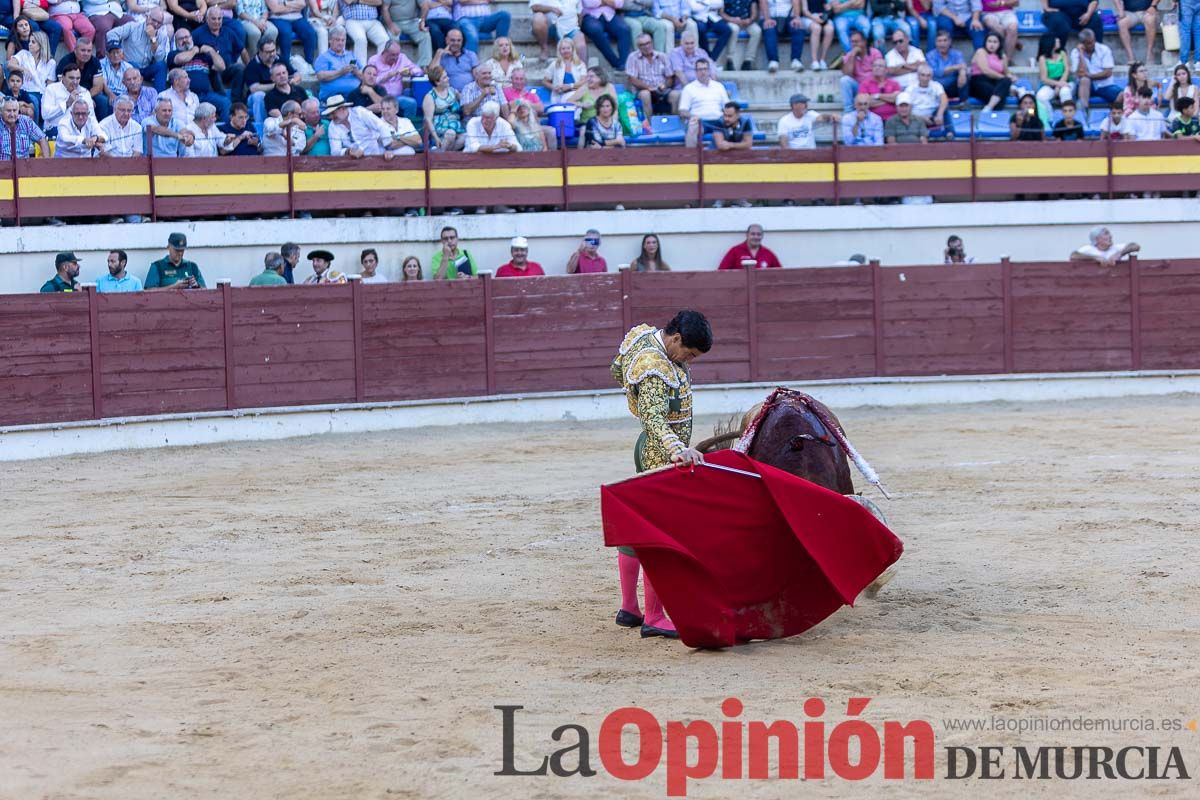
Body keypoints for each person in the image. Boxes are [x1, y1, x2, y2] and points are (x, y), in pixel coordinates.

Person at [609, 309, 712, 639]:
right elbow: (653, 420)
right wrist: (676, 449)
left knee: (638, 529)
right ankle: (654, 616)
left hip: (651, 449)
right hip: (659, 454)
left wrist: (633, 389)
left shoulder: (645, 337)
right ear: (676, 339)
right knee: (661, 536)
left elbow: (617, 369)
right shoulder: (655, 365)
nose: (690, 361)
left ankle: (629, 608)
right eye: (690, 354)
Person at [108, 10, 172, 91]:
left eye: (159, 23)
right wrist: (119, 52)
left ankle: (159, 97)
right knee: (133, 65)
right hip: (129, 65)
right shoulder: (132, 27)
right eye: (153, 20)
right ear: (147, 17)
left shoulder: (162, 36)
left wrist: (153, 39)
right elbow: (111, 34)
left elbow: (159, 59)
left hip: (146, 68)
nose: (155, 24)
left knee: (162, 65)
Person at [192, 7, 246, 102]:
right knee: (215, 68)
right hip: (209, 71)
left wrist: (250, 67)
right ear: (207, 19)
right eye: (213, 19)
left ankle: (236, 101)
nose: (217, 21)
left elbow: (242, 50)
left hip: (227, 68)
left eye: (219, 18)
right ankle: (224, 100)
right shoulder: (197, 34)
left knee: (240, 68)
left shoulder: (228, 32)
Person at [678, 57, 728, 146]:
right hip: (699, 121)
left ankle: (731, 158)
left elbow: (727, 107)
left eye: (705, 69)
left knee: (732, 123)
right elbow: (682, 111)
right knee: (693, 125)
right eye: (700, 69)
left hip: (718, 120)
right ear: (696, 72)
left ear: (709, 71)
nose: (703, 72)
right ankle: (691, 156)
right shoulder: (689, 88)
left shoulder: (719, 86)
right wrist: (693, 116)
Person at [625, 32, 677, 115]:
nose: (646, 46)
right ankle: (649, 126)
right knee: (645, 94)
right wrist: (648, 88)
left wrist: (665, 86)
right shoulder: (633, 57)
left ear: (652, 43)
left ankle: (675, 124)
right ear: (638, 47)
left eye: (648, 43)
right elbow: (632, 79)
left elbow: (670, 77)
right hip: (642, 90)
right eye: (642, 45)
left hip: (661, 89)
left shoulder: (662, 56)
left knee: (676, 95)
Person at [1070, 28, 1117, 111]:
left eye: (1093, 41)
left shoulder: (1104, 49)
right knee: (1084, 80)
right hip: (1084, 86)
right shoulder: (1075, 52)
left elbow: (1108, 73)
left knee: (1122, 95)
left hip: (1104, 85)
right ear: (1082, 44)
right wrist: (1081, 54)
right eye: (1089, 43)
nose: (1092, 44)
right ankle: (1084, 113)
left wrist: (1090, 76)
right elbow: (1080, 74)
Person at [423, 63, 465, 150]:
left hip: (455, 125)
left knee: (465, 138)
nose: (448, 79)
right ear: (437, 82)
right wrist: (435, 137)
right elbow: (428, 120)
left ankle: (447, 157)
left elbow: (464, 101)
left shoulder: (452, 90)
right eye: (445, 77)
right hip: (440, 128)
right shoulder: (430, 97)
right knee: (451, 134)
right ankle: (440, 156)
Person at [838, 27, 881, 112]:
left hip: (872, 86)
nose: (854, 44)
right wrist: (853, 56)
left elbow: (879, 72)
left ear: (864, 42)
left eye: (857, 42)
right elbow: (847, 74)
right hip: (858, 86)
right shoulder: (850, 55)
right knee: (844, 80)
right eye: (852, 42)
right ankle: (848, 111)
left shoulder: (875, 53)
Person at [580, 0, 632, 70]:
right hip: (590, 16)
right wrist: (610, 3)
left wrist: (602, 2)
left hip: (610, 15)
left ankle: (624, 64)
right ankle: (616, 63)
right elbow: (590, 3)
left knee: (624, 29)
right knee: (595, 30)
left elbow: (619, 4)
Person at [968, 30, 1012, 111]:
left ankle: (989, 108)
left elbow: (1007, 73)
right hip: (979, 81)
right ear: (985, 42)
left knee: (1005, 84)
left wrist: (1011, 77)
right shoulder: (981, 52)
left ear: (999, 44)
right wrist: (1003, 77)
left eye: (995, 42)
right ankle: (992, 112)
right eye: (989, 41)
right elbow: (985, 70)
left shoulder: (1002, 56)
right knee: (1000, 96)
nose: (992, 44)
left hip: (995, 82)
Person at [314, 27, 362, 101]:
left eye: (343, 40)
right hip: (334, 98)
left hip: (355, 96)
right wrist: (341, 72)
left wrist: (356, 72)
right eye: (337, 40)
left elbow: (364, 76)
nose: (340, 43)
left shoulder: (351, 55)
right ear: (330, 40)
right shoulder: (323, 57)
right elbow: (321, 76)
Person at [759, 0, 806, 73]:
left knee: (798, 27)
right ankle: (773, 61)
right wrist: (767, 19)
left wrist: (796, 18)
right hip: (770, 16)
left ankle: (796, 60)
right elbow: (763, 2)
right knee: (769, 29)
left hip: (788, 17)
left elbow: (796, 1)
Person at [268, 0, 318, 67]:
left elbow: (302, 4)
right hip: (278, 18)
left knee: (310, 33)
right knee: (286, 33)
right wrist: (293, 6)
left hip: (297, 17)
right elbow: (275, 9)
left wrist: (284, 4)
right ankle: (286, 65)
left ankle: (309, 65)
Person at [382, 0, 433, 66]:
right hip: (394, 22)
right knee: (392, 40)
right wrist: (391, 25)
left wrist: (422, 21)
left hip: (412, 21)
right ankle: (395, 66)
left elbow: (424, 6)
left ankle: (423, 66)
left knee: (425, 35)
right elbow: (384, 9)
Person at [339, 0, 389, 65]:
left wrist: (358, 1)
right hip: (353, 20)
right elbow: (349, 1)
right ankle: (361, 70)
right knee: (361, 40)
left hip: (372, 21)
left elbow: (379, 2)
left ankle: (380, 67)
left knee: (385, 40)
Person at [429, 27, 478, 92]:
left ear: (462, 41)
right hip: (449, 93)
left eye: (459, 40)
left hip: (470, 92)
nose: (456, 43)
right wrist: (439, 54)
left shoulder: (470, 55)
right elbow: (432, 75)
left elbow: (477, 76)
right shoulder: (442, 56)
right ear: (446, 40)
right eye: (453, 40)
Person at [1034, 34, 1069, 121]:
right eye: (1056, 41)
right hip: (1050, 83)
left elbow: (1067, 70)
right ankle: (1050, 118)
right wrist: (1057, 84)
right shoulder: (1043, 58)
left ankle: (1068, 118)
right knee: (1041, 96)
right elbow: (1044, 78)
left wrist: (1060, 85)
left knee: (1065, 92)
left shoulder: (1062, 54)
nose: (1059, 42)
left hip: (1064, 81)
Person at [718, 223, 782, 269]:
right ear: (747, 235)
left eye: (758, 234)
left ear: (762, 236)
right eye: (753, 234)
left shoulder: (768, 254)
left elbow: (780, 273)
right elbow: (721, 272)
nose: (756, 237)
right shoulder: (735, 251)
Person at [721, 0, 761, 72]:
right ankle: (729, 60)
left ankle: (748, 60)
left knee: (756, 31)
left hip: (746, 22)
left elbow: (754, 12)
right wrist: (732, 19)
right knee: (734, 29)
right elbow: (721, 13)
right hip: (731, 21)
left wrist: (750, 20)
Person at [1070, 226, 1139, 268]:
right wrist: (1095, 258)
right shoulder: (1089, 249)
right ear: (1097, 239)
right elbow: (1073, 256)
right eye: (1106, 234)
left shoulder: (1115, 248)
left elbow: (1135, 246)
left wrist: (1119, 254)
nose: (1110, 236)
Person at [546, 34, 587, 103]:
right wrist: (554, 87)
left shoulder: (580, 64)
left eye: (568, 48)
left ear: (572, 49)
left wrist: (570, 86)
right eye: (563, 49)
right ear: (559, 50)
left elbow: (584, 82)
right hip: (558, 95)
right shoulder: (555, 64)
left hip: (575, 94)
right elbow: (545, 81)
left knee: (569, 97)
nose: (566, 51)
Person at [925, 28, 965, 99]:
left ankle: (963, 102)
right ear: (935, 43)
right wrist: (954, 67)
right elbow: (937, 72)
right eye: (939, 41)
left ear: (950, 42)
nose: (942, 44)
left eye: (945, 40)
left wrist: (962, 72)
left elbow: (962, 65)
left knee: (965, 75)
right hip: (938, 86)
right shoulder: (930, 55)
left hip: (953, 85)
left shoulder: (957, 54)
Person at [859, 55, 900, 120]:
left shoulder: (894, 84)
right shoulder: (865, 84)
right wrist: (889, 99)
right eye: (874, 66)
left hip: (892, 119)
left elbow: (896, 99)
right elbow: (865, 103)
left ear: (886, 70)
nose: (877, 68)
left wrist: (877, 96)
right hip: (872, 120)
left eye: (880, 66)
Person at [1116, 0, 1156, 65]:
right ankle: (1130, 57)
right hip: (1129, 12)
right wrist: (1120, 10)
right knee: (1121, 23)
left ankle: (1150, 53)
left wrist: (1153, 6)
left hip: (1147, 11)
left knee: (1150, 20)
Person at [908, 64, 946, 129]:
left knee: (946, 113)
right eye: (923, 75)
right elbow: (907, 108)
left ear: (931, 77)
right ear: (918, 76)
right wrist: (922, 118)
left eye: (928, 75)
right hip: (915, 117)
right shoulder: (911, 88)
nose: (925, 78)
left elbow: (944, 100)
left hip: (932, 115)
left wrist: (940, 114)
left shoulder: (936, 86)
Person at [884, 27, 923, 91]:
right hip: (900, 89)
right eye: (895, 42)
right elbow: (891, 71)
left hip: (918, 86)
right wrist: (915, 67)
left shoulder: (916, 51)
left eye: (900, 41)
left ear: (907, 39)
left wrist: (903, 66)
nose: (898, 44)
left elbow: (923, 66)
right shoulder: (889, 55)